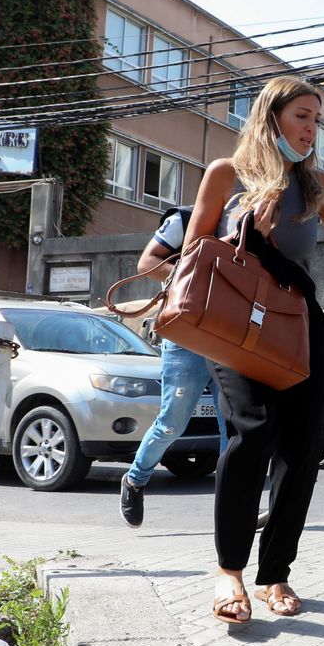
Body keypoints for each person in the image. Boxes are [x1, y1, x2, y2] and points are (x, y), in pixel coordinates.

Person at [183, 75, 324, 625]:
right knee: (253, 433)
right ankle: (230, 571)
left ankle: (275, 572)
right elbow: (193, 252)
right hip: (234, 325)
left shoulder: (317, 185)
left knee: (304, 449)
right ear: (271, 116)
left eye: (317, 120)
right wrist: (244, 234)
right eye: (303, 116)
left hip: (295, 326)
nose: (311, 128)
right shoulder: (227, 175)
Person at [119, 208, 229, 529]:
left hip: (226, 338)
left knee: (232, 429)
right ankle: (135, 480)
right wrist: (192, 275)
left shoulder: (247, 219)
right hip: (185, 336)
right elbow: (147, 262)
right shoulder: (184, 219)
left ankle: (230, 503)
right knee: (172, 423)